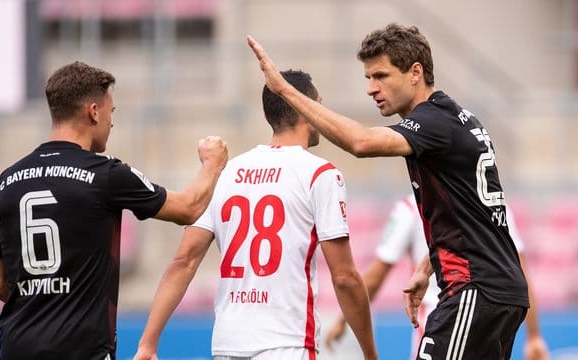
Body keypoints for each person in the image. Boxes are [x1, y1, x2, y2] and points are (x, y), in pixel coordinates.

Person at [248, 23, 529, 359]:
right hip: (493, 289)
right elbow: (474, 216)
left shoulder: (433, 122)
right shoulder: (458, 119)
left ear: (415, 72)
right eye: (368, 77)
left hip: (475, 289)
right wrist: (428, 266)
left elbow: (361, 142)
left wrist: (284, 90)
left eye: (380, 76)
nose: (370, 88)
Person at [0, 61, 228, 360]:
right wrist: (212, 164)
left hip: (15, 349)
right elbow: (189, 208)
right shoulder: (106, 174)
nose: (111, 123)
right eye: (111, 112)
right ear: (94, 112)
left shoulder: (6, 181)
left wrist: (43, 303)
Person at [133, 70, 377, 360]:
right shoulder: (320, 174)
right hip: (287, 342)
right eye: (318, 104)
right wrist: (370, 355)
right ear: (305, 109)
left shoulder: (225, 173)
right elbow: (345, 277)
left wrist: (147, 344)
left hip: (228, 344)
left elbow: (184, 261)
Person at [324, 195, 550, 360]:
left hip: (438, 327)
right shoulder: (493, 203)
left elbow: (377, 275)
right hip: (485, 325)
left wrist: (344, 320)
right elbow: (518, 270)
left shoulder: (411, 209)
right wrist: (534, 336)